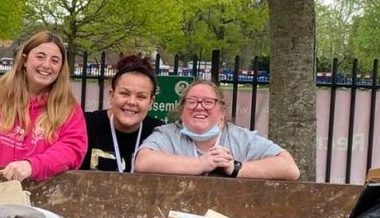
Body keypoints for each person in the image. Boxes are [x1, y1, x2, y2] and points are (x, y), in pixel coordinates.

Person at [0, 31, 87, 187]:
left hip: (42, 195)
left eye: (55, 60)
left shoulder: (68, 109)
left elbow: (72, 148)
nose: (46, 65)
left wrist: (32, 165)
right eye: (40, 57)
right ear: (24, 60)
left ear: (61, 68)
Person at [134, 80, 300, 180]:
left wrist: (235, 168)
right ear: (182, 109)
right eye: (192, 101)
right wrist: (201, 164)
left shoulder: (241, 138)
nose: (199, 107)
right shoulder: (167, 134)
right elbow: (143, 161)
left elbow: (289, 168)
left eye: (208, 102)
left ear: (222, 111)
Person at [81, 55, 162, 172]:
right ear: (111, 94)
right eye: (124, 94)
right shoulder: (84, 125)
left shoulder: (159, 133)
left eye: (141, 96)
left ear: (151, 102)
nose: (132, 102)